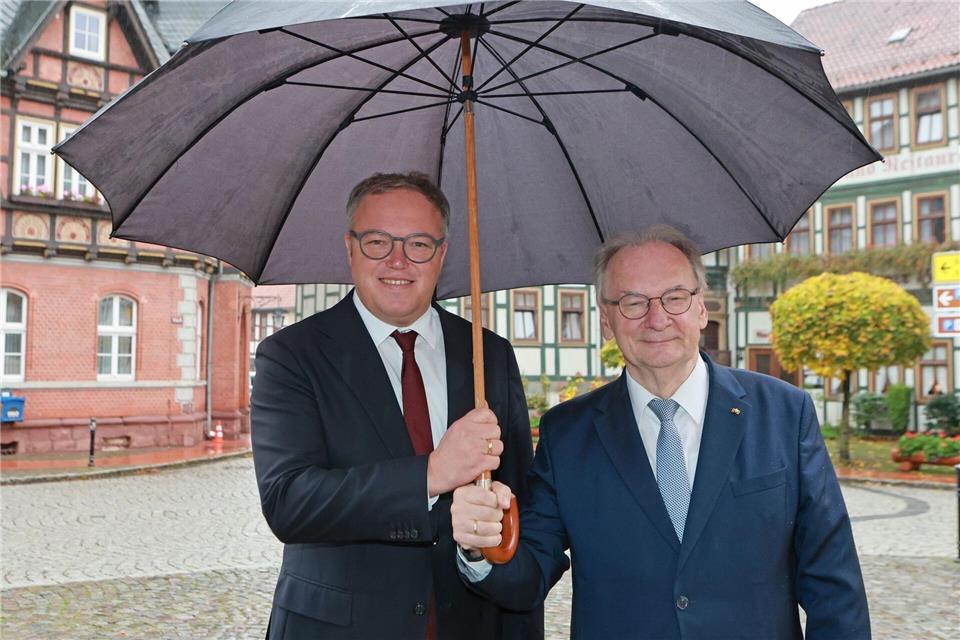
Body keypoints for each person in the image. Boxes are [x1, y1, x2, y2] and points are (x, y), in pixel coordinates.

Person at [452, 225, 870, 639]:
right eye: (633, 302)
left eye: (674, 298)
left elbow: (832, 582)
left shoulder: (784, 412)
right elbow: (528, 576)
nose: (657, 319)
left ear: (701, 308)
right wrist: (481, 546)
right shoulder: (567, 434)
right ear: (606, 321)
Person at [251, 172, 542, 639]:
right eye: (377, 242)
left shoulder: (489, 354)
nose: (398, 260)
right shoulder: (292, 355)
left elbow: (523, 505)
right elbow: (289, 502)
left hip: (471, 623)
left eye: (419, 244)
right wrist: (431, 474)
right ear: (350, 248)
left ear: (442, 254)